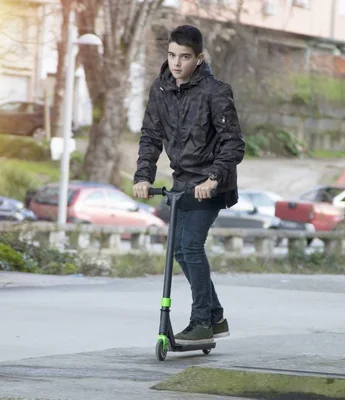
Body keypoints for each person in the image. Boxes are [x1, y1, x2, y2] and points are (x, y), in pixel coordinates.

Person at [132, 25, 245, 345]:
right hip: (182, 183)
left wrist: (213, 178)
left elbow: (233, 144)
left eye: (184, 57)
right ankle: (216, 316)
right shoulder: (160, 90)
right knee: (180, 250)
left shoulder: (216, 91)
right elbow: (151, 137)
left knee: (191, 246)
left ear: (200, 57)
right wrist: (143, 176)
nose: (176, 63)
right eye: (171, 56)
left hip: (211, 183)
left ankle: (201, 322)